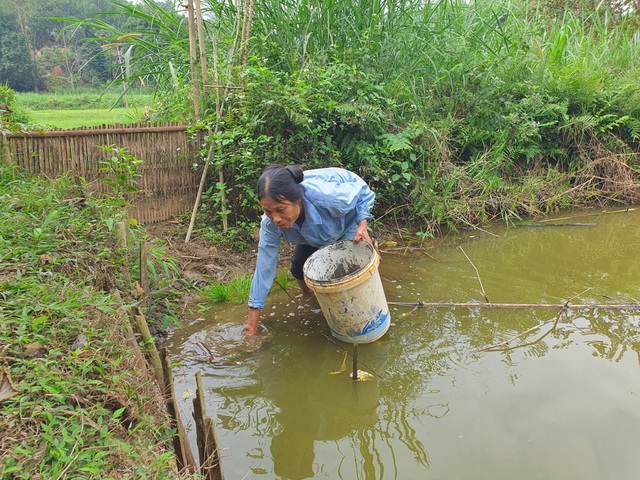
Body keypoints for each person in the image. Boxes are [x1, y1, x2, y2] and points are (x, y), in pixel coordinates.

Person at [245, 164, 375, 336]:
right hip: (310, 232)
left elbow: (363, 192)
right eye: (268, 211)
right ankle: (312, 297)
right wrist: (251, 325)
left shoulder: (328, 198)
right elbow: (264, 266)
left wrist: (362, 224)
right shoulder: (270, 224)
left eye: (280, 210)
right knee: (299, 268)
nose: (276, 218)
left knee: (344, 273)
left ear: (297, 199)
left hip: (344, 222)